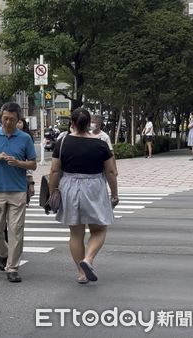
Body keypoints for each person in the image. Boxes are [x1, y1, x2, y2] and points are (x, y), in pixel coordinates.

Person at [47, 108, 118, 284]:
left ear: (71, 123)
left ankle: (81, 273)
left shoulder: (62, 142)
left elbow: (55, 170)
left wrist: (52, 192)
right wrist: (115, 194)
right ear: (89, 124)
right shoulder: (100, 143)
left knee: (76, 233)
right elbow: (110, 172)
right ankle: (89, 259)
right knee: (99, 229)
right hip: (94, 187)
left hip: (69, 187)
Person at [0, 102, 37, 283]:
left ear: (18, 120)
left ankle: (13, 267)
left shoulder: (25, 138)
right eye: (5, 119)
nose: (8, 122)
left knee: (16, 230)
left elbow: (33, 164)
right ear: (0, 118)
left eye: (12, 119)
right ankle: (3, 253)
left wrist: (18, 163)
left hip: (18, 190)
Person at [17, 118, 35, 204]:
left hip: (25, 162)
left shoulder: (27, 137)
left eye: (20, 122)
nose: (18, 124)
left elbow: (31, 160)